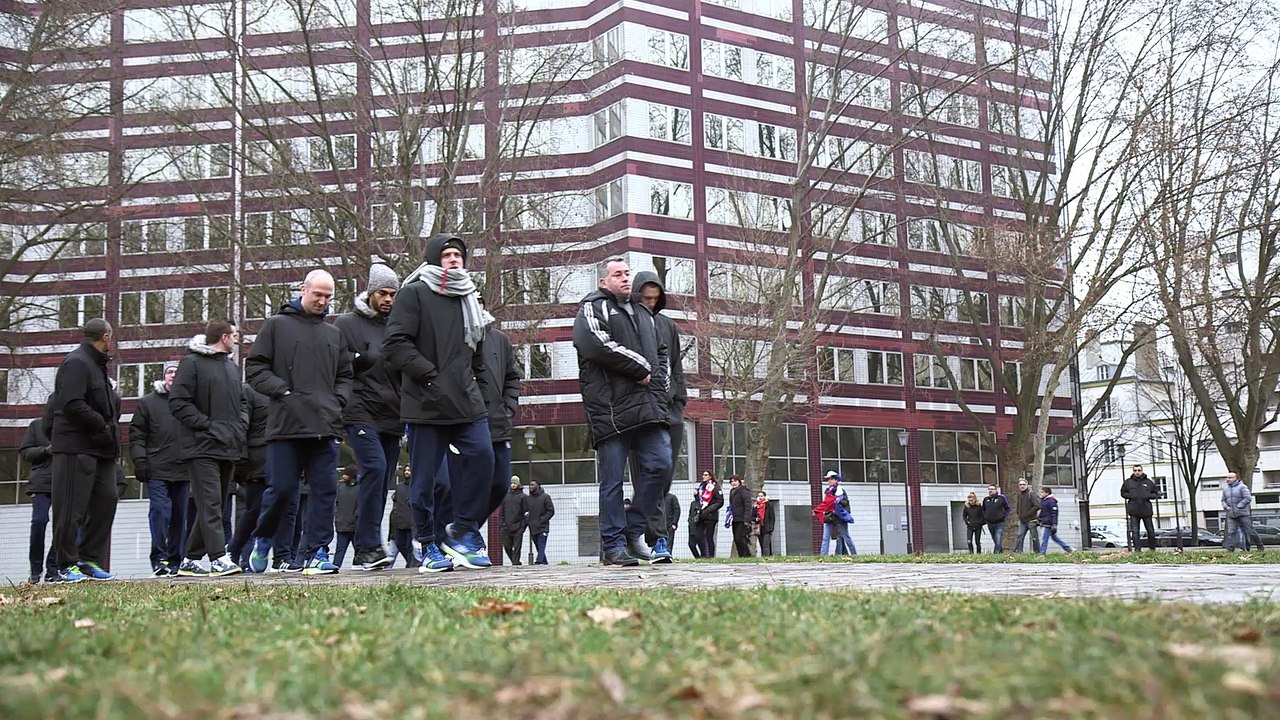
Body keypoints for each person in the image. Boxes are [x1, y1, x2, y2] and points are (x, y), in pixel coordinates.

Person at [385, 233, 496, 572]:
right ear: (434, 259)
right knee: (426, 482)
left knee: (484, 458)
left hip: (465, 399)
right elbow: (395, 345)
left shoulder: (469, 298)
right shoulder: (414, 293)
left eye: (457, 255)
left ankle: (462, 529)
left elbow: (475, 347)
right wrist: (430, 376)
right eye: (446, 254)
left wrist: (481, 387)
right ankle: (429, 545)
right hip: (426, 402)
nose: (453, 259)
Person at [245, 269, 353, 575]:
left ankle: (318, 551)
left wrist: (338, 401)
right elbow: (255, 368)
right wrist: (282, 390)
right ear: (302, 290)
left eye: (328, 296)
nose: (322, 301)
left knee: (324, 491)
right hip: (286, 425)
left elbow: (345, 375)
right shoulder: (276, 326)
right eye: (317, 294)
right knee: (280, 490)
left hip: (325, 425)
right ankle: (264, 538)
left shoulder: (334, 335)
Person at [573, 256, 672, 566]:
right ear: (604, 282)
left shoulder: (644, 314)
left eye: (627, 273)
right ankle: (613, 545)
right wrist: (638, 367)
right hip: (611, 410)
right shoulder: (593, 307)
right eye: (617, 274)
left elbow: (660, 357)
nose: (625, 278)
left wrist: (660, 392)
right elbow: (594, 344)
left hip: (647, 408)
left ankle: (633, 528)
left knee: (661, 466)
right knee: (612, 480)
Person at [335, 263, 403, 571]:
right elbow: (333, 361)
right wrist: (361, 359)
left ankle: (371, 547)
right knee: (373, 468)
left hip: (393, 413)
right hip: (360, 410)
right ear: (370, 292)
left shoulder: (399, 326)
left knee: (382, 480)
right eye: (383, 293)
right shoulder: (346, 324)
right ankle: (366, 546)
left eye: (392, 294)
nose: (388, 299)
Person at [171, 322, 247, 577]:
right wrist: (209, 426)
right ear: (224, 337)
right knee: (211, 504)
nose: (237, 341)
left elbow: (242, 401)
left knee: (216, 503)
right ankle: (218, 558)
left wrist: (239, 428)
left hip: (228, 446)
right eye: (235, 336)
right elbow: (179, 403)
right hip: (200, 447)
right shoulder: (191, 363)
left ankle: (191, 559)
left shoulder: (230, 366)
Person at [49, 318, 121, 582]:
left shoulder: (98, 365)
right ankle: (65, 564)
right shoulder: (77, 363)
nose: (111, 340)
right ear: (105, 336)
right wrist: (101, 425)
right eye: (111, 336)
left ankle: (89, 558)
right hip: (75, 448)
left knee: (107, 499)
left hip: (102, 449)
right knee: (71, 508)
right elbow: (71, 403)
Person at [631, 270, 686, 562]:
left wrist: (680, 402)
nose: (650, 304)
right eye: (645, 298)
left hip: (670, 411)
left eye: (655, 299)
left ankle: (644, 532)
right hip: (641, 413)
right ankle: (657, 538)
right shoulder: (627, 324)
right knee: (648, 475)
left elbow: (676, 366)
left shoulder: (667, 326)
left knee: (663, 477)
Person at [130, 362, 187, 577]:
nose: (173, 375)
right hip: (157, 469)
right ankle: (159, 558)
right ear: (163, 377)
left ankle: (176, 560)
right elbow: (136, 435)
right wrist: (140, 461)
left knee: (180, 518)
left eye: (176, 372)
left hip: (183, 469)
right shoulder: (148, 403)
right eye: (169, 372)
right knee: (161, 513)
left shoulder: (188, 403)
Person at [477, 296, 522, 521]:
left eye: (479, 301)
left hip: (497, 425)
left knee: (500, 483)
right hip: (465, 425)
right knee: (461, 486)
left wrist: (508, 408)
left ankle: (466, 531)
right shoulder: (451, 337)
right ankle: (460, 534)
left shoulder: (499, 340)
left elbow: (512, 377)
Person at [228, 384, 269, 568]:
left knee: (288, 507)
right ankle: (235, 549)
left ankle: (282, 557)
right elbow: (241, 427)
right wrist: (242, 460)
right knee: (254, 509)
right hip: (257, 461)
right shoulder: (249, 391)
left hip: (285, 455)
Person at [21, 408, 59, 584]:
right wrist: (45, 450)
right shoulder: (36, 426)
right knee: (39, 522)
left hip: (65, 484)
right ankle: (35, 570)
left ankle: (53, 568)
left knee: (63, 528)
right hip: (41, 483)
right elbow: (25, 452)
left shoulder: (71, 427)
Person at [815, 471, 856, 555]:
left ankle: (854, 554)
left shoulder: (841, 491)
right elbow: (825, 504)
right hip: (830, 517)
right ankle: (823, 556)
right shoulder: (828, 492)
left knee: (846, 537)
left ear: (835, 480)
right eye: (828, 479)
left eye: (830, 479)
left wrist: (839, 501)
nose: (829, 481)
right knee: (825, 538)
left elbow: (846, 503)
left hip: (840, 518)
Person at [1121, 464, 1158, 552]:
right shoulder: (1128, 482)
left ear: (1142, 471)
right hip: (1134, 511)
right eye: (1135, 470)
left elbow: (1156, 493)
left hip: (1146, 510)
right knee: (1135, 531)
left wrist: (1148, 496)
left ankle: (1152, 549)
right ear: (1133, 471)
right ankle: (1137, 550)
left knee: (1150, 531)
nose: (1137, 472)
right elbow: (1123, 493)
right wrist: (1131, 496)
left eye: (1139, 470)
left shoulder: (1149, 482)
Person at [388, 466, 416, 568]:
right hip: (399, 523)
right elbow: (395, 504)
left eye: (409, 470)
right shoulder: (399, 487)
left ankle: (410, 565)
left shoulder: (415, 487)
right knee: (399, 544)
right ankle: (410, 564)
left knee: (410, 548)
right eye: (406, 470)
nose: (406, 472)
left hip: (411, 524)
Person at [1221, 472, 1256, 552]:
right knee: (1231, 532)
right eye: (1227, 477)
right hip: (1231, 514)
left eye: (1230, 478)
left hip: (1242, 513)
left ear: (1235, 478)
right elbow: (1223, 500)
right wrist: (1226, 507)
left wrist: (1239, 506)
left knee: (1249, 530)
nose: (1228, 479)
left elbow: (1247, 498)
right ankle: (1230, 550)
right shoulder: (1226, 489)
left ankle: (1259, 545)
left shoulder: (1242, 487)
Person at [691, 471, 723, 558]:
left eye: (705, 475)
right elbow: (699, 501)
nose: (703, 476)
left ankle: (711, 556)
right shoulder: (702, 487)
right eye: (703, 474)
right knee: (698, 536)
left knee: (709, 536)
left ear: (710, 476)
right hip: (701, 515)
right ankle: (703, 555)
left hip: (710, 516)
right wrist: (696, 496)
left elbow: (720, 501)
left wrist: (709, 510)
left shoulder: (715, 487)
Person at [525, 479, 555, 565]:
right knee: (538, 546)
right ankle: (544, 563)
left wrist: (542, 520)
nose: (530, 487)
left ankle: (539, 561)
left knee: (541, 545)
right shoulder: (528, 499)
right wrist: (528, 521)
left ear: (538, 486)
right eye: (530, 485)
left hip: (543, 527)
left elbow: (550, 511)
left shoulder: (545, 497)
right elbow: (525, 511)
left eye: (532, 485)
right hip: (533, 527)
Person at [334, 465, 359, 567]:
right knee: (358, 552)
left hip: (345, 525)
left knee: (340, 552)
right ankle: (357, 568)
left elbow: (336, 505)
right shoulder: (360, 488)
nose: (343, 476)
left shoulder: (340, 488)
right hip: (349, 525)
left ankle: (335, 568)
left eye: (346, 474)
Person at [500, 477, 527, 565]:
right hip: (506, 527)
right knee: (507, 546)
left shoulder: (523, 497)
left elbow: (525, 512)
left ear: (518, 484)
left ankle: (515, 563)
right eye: (512, 483)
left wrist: (522, 526)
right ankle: (515, 561)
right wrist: (502, 524)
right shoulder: (506, 496)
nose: (513, 485)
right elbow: (502, 511)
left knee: (517, 547)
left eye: (515, 483)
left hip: (518, 526)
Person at [1037, 487, 1073, 554]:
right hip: (1046, 522)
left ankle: (1042, 552)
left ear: (1047, 493)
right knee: (1055, 538)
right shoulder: (1044, 501)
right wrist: (1039, 519)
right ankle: (1069, 549)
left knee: (1045, 539)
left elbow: (1054, 513)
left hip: (1049, 523)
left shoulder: (1051, 501)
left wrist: (1054, 524)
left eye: (1042, 492)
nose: (1041, 494)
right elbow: (1043, 512)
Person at [1013, 478, 1041, 553]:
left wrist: (1028, 514)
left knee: (1034, 537)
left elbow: (1037, 506)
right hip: (1022, 520)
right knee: (1020, 536)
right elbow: (1018, 506)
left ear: (1027, 485)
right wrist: (1018, 514)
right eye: (1020, 485)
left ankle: (1037, 552)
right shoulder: (1019, 494)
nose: (1022, 486)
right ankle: (1018, 552)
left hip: (1031, 520)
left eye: (1023, 484)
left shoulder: (1031, 494)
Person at [729, 475, 753, 558]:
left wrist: (747, 519)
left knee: (740, 537)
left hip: (742, 519)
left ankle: (747, 555)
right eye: (731, 481)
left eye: (735, 481)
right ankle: (741, 555)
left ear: (739, 481)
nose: (733, 483)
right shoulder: (732, 492)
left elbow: (748, 505)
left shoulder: (744, 491)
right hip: (735, 518)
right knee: (736, 538)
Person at [981, 484, 1010, 553]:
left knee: (998, 537)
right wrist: (985, 517)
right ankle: (1001, 552)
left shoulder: (1001, 498)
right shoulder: (986, 499)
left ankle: (996, 553)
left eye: (992, 489)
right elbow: (983, 509)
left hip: (999, 522)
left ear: (996, 490)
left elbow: (1007, 508)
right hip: (990, 522)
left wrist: (1004, 515)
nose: (990, 491)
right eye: (989, 489)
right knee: (995, 539)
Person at [754, 490, 775, 556]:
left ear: (765, 497)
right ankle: (765, 557)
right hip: (759, 528)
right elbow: (752, 517)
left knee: (766, 545)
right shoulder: (755, 506)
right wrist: (755, 519)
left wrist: (771, 527)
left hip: (767, 528)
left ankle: (766, 558)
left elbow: (772, 517)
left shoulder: (769, 505)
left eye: (761, 496)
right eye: (759, 496)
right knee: (762, 545)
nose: (760, 497)